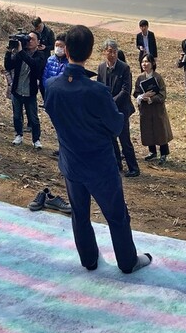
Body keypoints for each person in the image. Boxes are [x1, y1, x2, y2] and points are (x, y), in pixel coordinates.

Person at [44, 24, 153, 274]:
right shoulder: (97, 91)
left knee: (80, 215)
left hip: (71, 162)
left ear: (66, 49)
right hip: (100, 165)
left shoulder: (52, 86)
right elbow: (116, 126)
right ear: (92, 51)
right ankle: (127, 262)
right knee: (116, 216)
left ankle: (89, 260)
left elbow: (54, 116)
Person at [98, 40, 140, 176]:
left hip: (121, 110)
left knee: (124, 139)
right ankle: (117, 164)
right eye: (110, 51)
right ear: (104, 52)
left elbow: (126, 90)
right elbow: (100, 87)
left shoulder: (124, 68)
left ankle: (133, 168)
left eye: (115, 51)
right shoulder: (101, 68)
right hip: (107, 110)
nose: (112, 54)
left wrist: (111, 102)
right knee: (111, 138)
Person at [133, 54, 173, 165]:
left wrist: (152, 99)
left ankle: (164, 153)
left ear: (152, 64)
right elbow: (136, 92)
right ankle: (152, 152)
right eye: (143, 62)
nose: (144, 64)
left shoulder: (158, 78)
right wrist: (141, 96)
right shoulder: (140, 78)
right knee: (148, 129)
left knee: (160, 130)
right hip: (145, 110)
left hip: (157, 109)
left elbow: (162, 94)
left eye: (147, 62)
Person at [5, 32, 42, 149]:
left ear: (38, 42)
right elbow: (8, 66)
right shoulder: (21, 53)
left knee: (33, 118)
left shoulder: (40, 55)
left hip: (30, 92)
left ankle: (36, 139)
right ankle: (18, 135)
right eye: (28, 39)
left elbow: (34, 65)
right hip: (17, 90)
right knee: (17, 116)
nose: (29, 41)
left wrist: (20, 52)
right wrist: (9, 51)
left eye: (32, 39)